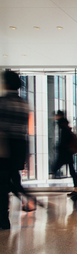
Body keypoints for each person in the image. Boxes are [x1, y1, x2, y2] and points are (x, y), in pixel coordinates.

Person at [0, 71, 30, 229]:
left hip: (5, 147)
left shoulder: (3, 102)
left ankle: (3, 218)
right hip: (19, 147)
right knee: (12, 179)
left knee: (2, 184)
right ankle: (24, 200)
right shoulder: (23, 103)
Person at [51, 110, 77, 197]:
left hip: (65, 153)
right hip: (68, 152)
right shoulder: (64, 125)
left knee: (55, 168)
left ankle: (76, 189)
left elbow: (64, 141)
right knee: (72, 171)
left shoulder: (63, 126)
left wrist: (58, 147)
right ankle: (76, 189)